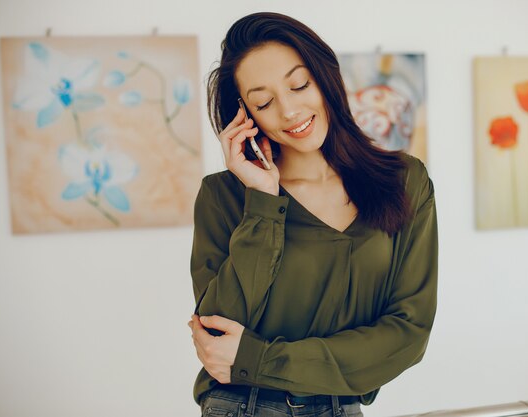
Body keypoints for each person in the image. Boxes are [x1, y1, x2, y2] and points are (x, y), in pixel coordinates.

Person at [187, 12, 438, 417]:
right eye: (264, 101)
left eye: (299, 84)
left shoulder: (404, 181)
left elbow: (408, 333)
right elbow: (218, 340)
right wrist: (263, 201)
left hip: (342, 407)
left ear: (325, 77)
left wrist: (262, 358)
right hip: (243, 407)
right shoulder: (224, 196)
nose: (288, 110)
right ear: (247, 116)